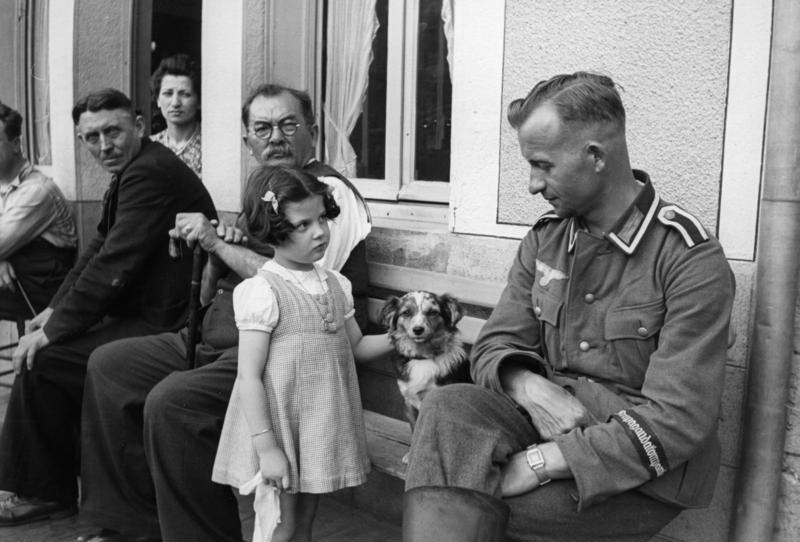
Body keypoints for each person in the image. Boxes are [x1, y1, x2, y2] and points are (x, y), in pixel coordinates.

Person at [402, 72, 735, 542]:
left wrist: (540, 463)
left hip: (638, 469)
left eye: (542, 165)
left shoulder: (687, 257)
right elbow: (496, 344)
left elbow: (680, 420)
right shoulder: (546, 239)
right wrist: (530, 386)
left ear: (595, 156)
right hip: (538, 424)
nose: (533, 185)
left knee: (475, 507)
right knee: (447, 408)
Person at [77, 83, 372, 542]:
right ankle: (137, 521)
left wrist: (218, 243)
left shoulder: (323, 191)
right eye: (262, 128)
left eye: (288, 124)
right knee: (111, 364)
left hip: (289, 348)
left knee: (174, 403)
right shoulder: (266, 189)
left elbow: (304, 289)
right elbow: (225, 288)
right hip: (230, 333)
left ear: (312, 131)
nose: (275, 137)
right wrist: (217, 258)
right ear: (247, 140)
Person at [0, 88, 216, 526]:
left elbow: (114, 264)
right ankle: (47, 486)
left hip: (172, 322)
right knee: (45, 352)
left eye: (113, 131)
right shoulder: (135, 168)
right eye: (91, 137)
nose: (103, 146)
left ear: (138, 125)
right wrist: (53, 313)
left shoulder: (149, 172)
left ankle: (45, 492)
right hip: (149, 312)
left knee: (44, 359)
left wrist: (53, 331)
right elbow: (98, 249)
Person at [212, 165, 390, 542]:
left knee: (305, 524)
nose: (320, 231)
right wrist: (267, 447)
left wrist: (405, 338)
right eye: (303, 224)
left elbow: (355, 346)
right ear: (275, 230)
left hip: (316, 429)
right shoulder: (264, 291)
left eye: (323, 218)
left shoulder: (335, 284)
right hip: (278, 429)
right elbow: (248, 376)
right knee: (279, 525)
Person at [0, 102, 77, 319]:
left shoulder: (37, 190)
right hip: (16, 282)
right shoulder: (4, 184)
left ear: (16, 144)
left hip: (42, 291)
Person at [150, 54, 202, 178]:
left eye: (184, 94)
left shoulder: (212, 145)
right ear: (158, 99)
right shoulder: (150, 146)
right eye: (168, 94)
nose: (175, 103)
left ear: (199, 101)